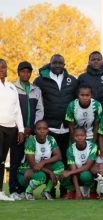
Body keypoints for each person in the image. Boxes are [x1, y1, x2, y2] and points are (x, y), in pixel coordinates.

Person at [34, 54, 78, 197]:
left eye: (60, 63)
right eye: (55, 63)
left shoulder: (72, 80)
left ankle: (65, 190)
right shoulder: (40, 80)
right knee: (50, 162)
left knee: (65, 160)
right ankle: (50, 190)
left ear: (64, 65)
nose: (58, 65)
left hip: (66, 128)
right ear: (50, 64)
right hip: (49, 128)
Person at [10, 61, 44, 200]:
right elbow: (10, 110)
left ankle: (23, 189)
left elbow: (40, 110)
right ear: (18, 72)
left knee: (28, 161)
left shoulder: (36, 90)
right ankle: (13, 190)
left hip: (31, 132)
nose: (26, 74)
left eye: (28, 71)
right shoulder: (12, 88)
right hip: (16, 131)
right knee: (15, 160)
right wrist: (20, 129)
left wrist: (34, 128)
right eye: (23, 71)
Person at [17, 120, 64, 200]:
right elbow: (33, 165)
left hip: (42, 167)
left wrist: (43, 162)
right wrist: (50, 172)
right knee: (41, 176)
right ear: (35, 131)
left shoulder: (51, 139)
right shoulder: (31, 141)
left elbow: (59, 156)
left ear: (48, 130)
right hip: (25, 171)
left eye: (45, 129)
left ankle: (46, 191)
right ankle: (28, 192)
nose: (42, 131)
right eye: (39, 129)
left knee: (60, 166)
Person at [0, 59, 25, 201]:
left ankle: (0, 193)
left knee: (3, 160)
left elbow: (17, 110)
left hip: (11, 128)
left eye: (4, 67)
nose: (2, 69)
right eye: (0, 67)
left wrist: (20, 129)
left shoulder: (11, 87)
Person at [60, 127, 97, 199]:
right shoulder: (70, 149)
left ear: (86, 136)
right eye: (77, 136)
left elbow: (87, 167)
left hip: (88, 174)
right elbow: (73, 170)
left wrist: (69, 172)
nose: (80, 138)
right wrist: (77, 190)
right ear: (73, 137)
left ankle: (92, 190)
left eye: (82, 135)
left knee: (85, 175)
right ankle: (73, 192)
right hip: (76, 174)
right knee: (62, 175)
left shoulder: (93, 146)